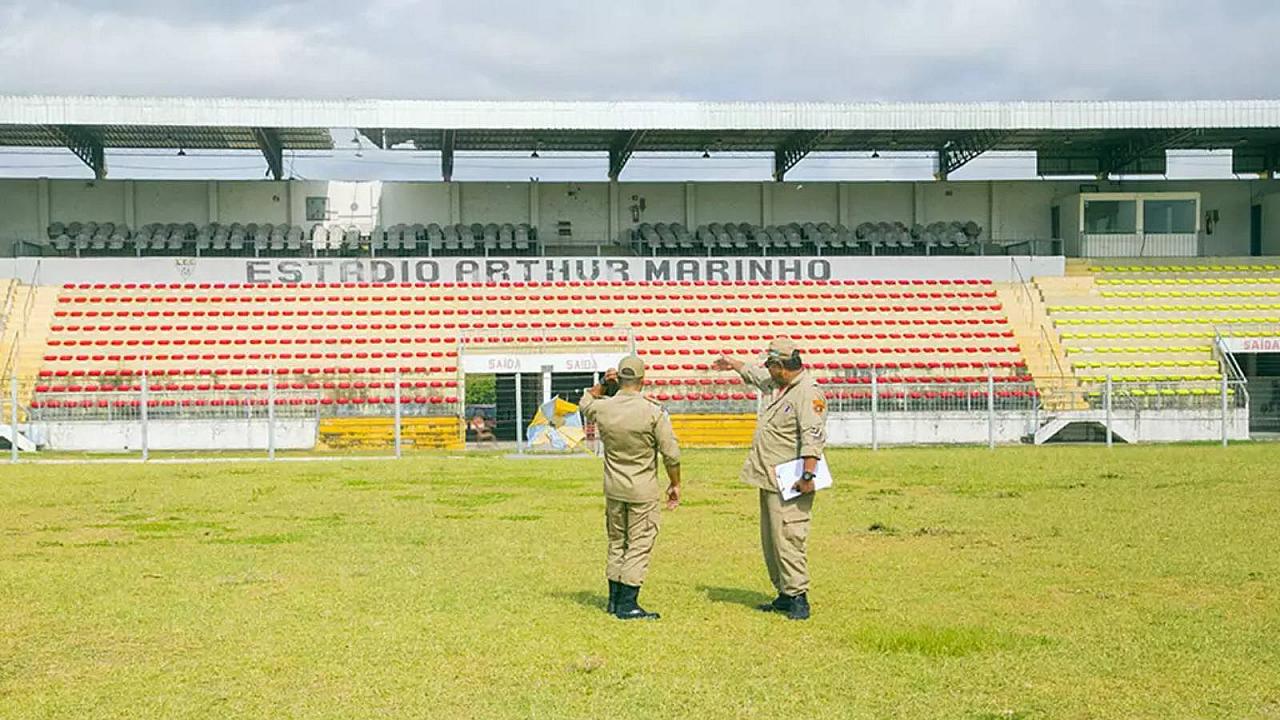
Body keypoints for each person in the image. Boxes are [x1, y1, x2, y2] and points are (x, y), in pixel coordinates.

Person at [712, 337, 827, 620]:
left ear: (781, 365)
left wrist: (808, 475)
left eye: (770, 365)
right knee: (772, 539)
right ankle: (784, 593)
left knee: (789, 536)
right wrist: (733, 364)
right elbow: (755, 374)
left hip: (792, 479)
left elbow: (813, 436)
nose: (767, 370)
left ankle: (798, 597)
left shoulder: (807, 393)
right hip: (770, 477)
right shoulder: (779, 385)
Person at [579, 356, 682, 620]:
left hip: (614, 487)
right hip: (642, 490)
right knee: (639, 544)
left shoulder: (603, 408)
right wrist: (675, 483)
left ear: (619, 378)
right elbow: (671, 454)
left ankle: (613, 600)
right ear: (642, 380)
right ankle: (628, 604)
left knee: (617, 542)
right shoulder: (652, 411)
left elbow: (585, 402)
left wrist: (603, 384)